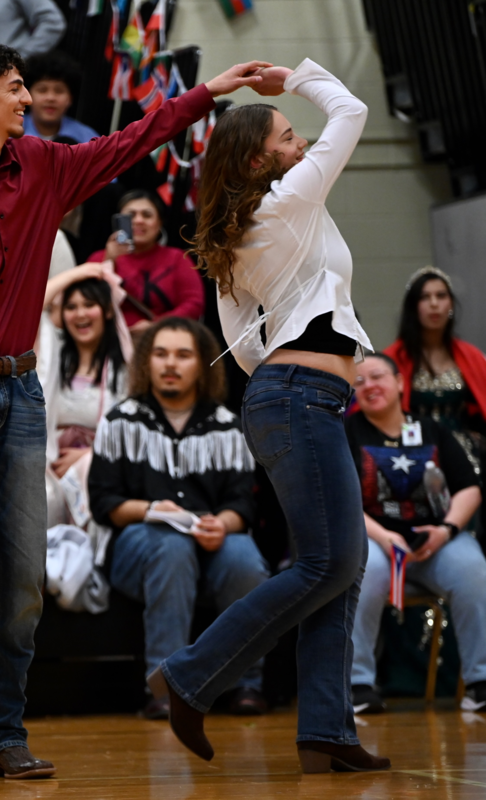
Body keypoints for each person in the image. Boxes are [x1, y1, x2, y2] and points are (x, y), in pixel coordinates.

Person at [0, 37, 270, 785]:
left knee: (21, 582)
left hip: (20, 394)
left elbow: (130, 140)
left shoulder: (45, 165)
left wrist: (207, 92)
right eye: (17, 87)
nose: (31, 99)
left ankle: (7, 733)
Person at [146, 60, 391, 774]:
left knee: (336, 568)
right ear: (260, 158)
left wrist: (288, 387)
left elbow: (246, 345)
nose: (300, 141)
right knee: (327, 562)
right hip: (298, 401)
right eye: (288, 136)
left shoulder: (241, 230)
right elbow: (350, 114)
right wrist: (294, 76)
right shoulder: (286, 201)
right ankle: (191, 674)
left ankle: (325, 731)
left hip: (290, 399)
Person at [88, 317, 269, 719]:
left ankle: (246, 685)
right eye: (161, 354)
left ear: (202, 362)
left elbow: (243, 505)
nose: (170, 364)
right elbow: (104, 503)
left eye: (183, 355)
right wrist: (151, 510)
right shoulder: (121, 420)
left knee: (244, 557)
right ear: (146, 363)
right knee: (171, 548)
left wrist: (222, 523)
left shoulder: (227, 425)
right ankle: (166, 688)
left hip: (210, 540)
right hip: (139, 544)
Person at [346, 354, 486, 714]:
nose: (369, 386)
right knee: (367, 569)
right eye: (358, 382)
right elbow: (340, 500)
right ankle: (358, 684)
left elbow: (469, 488)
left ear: (400, 383)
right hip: (376, 540)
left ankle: (479, 682)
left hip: (435, 542)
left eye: (377, 376)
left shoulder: (432, 431)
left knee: (473, 569)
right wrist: (383, 537)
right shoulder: (347, 433)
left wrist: (446, 530)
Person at [38, 263, 130, 529]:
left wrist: (89, 456)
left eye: (89, 304)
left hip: (102, 466)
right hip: (50, 463)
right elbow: (30, 307)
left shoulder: (127, 368)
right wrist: (79, 273)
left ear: (108, 310)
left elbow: (132, 431)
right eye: (71, 306)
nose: (80, 314)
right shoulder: (52, 355)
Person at [385, 267, 486, 482]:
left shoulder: (472, 356)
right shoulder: (393, 358)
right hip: (411, 452)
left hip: (466, 453)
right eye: (425, 297)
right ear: (413, 307)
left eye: (441, 296)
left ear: (450, 304)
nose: (434, 304)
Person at [88, 190, 205, 334]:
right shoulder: (99, 258)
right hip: (109, 340)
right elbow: (86, 300)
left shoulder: (177, 258)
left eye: (147, 215)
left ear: (159, 222)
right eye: (131, 215)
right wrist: (109, 261)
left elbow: (194, 303)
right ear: (118, 220)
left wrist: (156, 326)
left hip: (162, 338)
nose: (138, 220)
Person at [23, 51, 99, 142]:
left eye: (59, 91)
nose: (50, 98)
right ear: (27, 94)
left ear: (70, 98)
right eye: (42, 90)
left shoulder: (88, 139)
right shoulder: (9, 135)